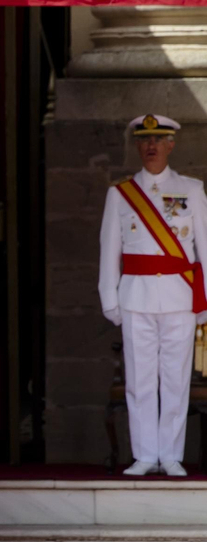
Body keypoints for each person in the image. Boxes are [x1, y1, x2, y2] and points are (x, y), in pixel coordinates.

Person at [98, 114, 207, 477]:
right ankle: (144, 455)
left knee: (175, 380)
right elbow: (109, 248)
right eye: (145, 140)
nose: (151, 146)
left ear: (171, 145)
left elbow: (205, 248)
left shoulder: (191, 190)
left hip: (179, 298)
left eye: (159, 140)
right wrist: (109, 299)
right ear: (137, 146)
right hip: (135, 297)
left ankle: (171, 456)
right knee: (140, 380)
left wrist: (205, 302)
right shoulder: (120, 193)